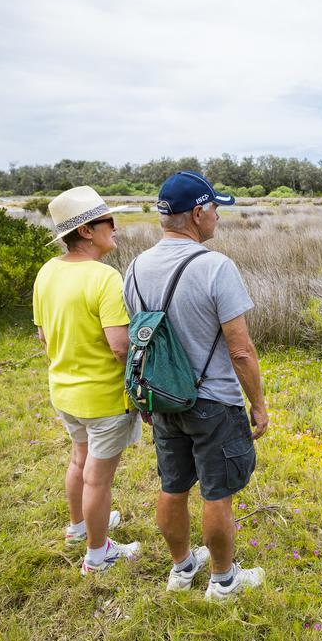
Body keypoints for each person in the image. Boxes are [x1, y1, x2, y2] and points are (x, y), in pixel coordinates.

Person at [124, 171, 268, 599]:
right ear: (198, 212)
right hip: (213, 402)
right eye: (215, 209)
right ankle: (224, 581)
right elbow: (240, 350)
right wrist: (257, 405)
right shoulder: (215, 267)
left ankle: (182, 568)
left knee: (172, 486)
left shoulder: (133, 268)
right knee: (216, 493)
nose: (218, 217)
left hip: (164, 398)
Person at [33, 185, 141, 575]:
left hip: (63, 391)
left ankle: (79, 527)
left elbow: (44, 336)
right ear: (86, 231)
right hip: (103, 397)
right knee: (98, 477)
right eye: (108, 221)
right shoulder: (105, 278)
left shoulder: (47, 271)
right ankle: (99, 554)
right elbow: (119, 347)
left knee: (79, 460)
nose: (116, 227)